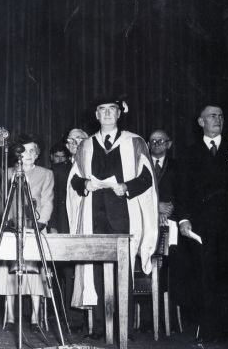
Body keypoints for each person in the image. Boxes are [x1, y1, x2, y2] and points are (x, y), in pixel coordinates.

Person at [67, 97, 158, 341]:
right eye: (102, 110)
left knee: (123, 271)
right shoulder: (86, 145)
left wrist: (126, 187)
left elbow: (147, 178)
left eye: (111, 110)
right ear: (96, 115)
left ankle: (124, 329)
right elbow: (73, 180)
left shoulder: (135, 142)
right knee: (96, 271)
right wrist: (85, 183)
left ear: (119, 114)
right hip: (94, 216)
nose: (107, 114)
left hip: (124, 215)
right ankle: (98, 327)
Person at [177, 105, 228, 344]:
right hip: (202, 226)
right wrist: (183, 219)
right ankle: (208, 333)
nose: (218, 119)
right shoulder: (189, 152)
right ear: (201, 121)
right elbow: (182, 190)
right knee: (204, 277)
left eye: (221, 115)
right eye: (212, 116)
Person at [0, 134, 54, 332]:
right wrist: (5, 220)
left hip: (35, 227)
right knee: (5, 266)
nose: (28, 154)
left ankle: (35, 317)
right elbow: (1, 203)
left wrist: (42, 222)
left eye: (32, 151)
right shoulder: (8, 172)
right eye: (24, 150)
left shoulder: (46, 174)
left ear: (37, 154)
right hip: (12, 227)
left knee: (36, 268)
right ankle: (11, 315)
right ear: (17, 153)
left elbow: (47, 200)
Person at [48, 128, 88, 333]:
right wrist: (53, 225)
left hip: (89, 225)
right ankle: (73, 320)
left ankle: (93, 320)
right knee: (69, 272)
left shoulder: (94, 165)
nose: (74, 143)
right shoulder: (58, 170)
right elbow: (52, 200)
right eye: (70, 140)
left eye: (79, 139)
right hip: (64, 225)